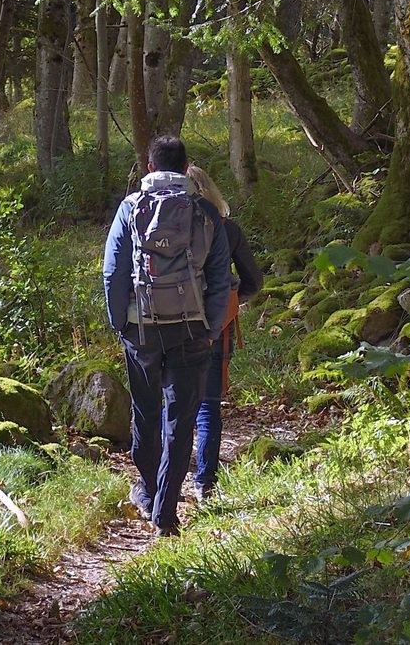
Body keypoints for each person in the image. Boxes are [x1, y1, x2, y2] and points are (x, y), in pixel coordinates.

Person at [102, 133, 231, 535]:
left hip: (141, 330)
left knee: (145, 412)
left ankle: (148, 488)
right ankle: (166, 514)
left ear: (150, 167)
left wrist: (119, 321)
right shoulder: (205, 212)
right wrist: (210, 328)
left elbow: (113, 271)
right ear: (185, 167)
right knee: (181, 419)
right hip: (191, 329)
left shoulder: (129, 209)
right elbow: (220, 277)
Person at [184, 163, 265, 503]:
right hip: (217, 326)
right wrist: (233, 300)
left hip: (168, 323)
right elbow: (254, 281)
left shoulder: (162, 227)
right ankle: (205, 483)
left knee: (172, 403)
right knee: (208, 406)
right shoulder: (227, 229)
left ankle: (164, 479)